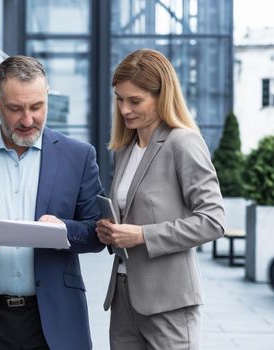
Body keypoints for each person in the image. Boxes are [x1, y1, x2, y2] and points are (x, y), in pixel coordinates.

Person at [0, 55, 105, 350]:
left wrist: (63, 229)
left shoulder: (78, 156)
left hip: (55, 320)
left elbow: (96, 233)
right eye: (15, 108)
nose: (27, 120)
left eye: (37, 107)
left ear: (47, 97)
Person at [96, 48, 225, 350]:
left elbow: (213, 221)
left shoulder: (184, 143)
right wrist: (111, 233)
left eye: (135, 100)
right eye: (119, 98)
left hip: (169, 304)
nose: (125, 109)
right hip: (124, 297)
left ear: (161, 96)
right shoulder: (126, 149)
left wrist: (142, 235)